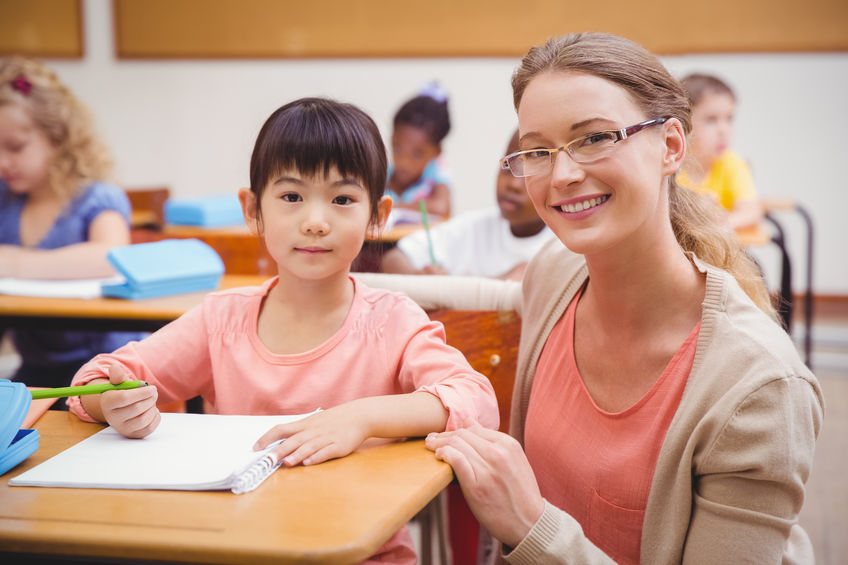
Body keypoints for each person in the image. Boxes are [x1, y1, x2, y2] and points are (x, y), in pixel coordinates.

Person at [408, 33, 821, 564]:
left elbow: (529, 519)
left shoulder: (758, 387)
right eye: (537, 151)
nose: (561, 175)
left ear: (671, 147)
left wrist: (531, 526)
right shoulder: (553, 277)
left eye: (595, 138)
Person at [66, 97, 499, 564]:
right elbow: (98, 378)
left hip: (365, 555)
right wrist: (108, 402)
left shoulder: (393, 320)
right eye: (291, 197)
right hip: (239, 546)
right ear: (252, 210)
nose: (315, 222)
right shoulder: (222, 321)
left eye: (343, 199)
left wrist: (362, 418)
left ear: (377, 214)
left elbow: (475, 400)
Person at [0, 56, 143, 393]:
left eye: (16, 147)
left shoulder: (96, 198)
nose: (3, 162)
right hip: (36, 369)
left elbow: (110, 255)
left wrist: (15, 262)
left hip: (105, 369)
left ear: (58, 138)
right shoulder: (6, 200)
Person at [381, 129, 552, 281]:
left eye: (528, 173)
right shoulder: (474, 228)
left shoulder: (563, 246)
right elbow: (393, 259)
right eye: (508, 166)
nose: (513, 185)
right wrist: (423, 281)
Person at [677, 73, 764, 230]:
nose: (724, 130)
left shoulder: (733, 164)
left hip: (719, 250)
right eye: (711, 119)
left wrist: (719, 223)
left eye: (729, 119)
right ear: (682, 122)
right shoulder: (670, 167)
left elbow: (751, 212)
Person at [386, 82, 452, 218]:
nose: (404, 161)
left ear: (437, 152)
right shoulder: (384, 175)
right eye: (397, 149)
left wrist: (392, 206)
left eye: (417, 154)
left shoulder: (436, 174)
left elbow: (442, 208)